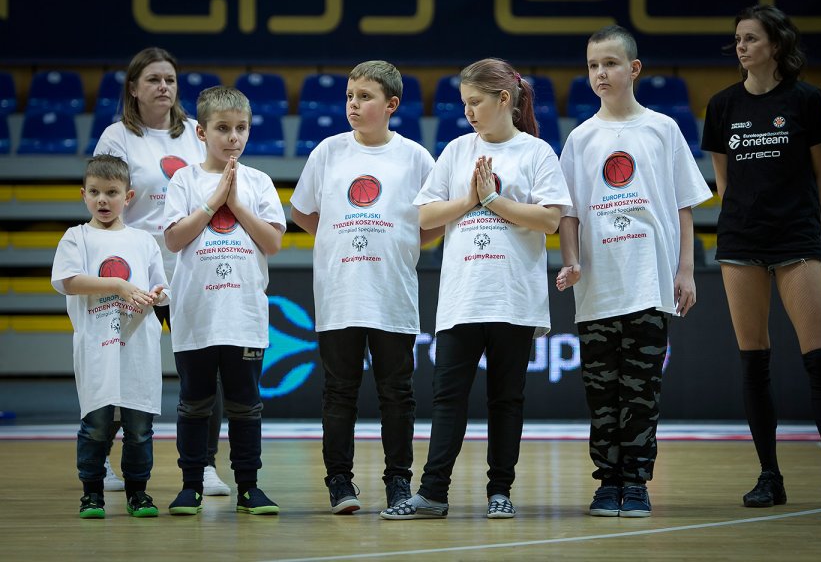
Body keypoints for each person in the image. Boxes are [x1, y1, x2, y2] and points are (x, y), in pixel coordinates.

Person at [380, 58, 572, 521]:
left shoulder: (536, 153)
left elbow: (550, 219)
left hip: (514, 298)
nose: (467, 111)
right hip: (462, 298)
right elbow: (424, 217)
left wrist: (494, 201)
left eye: (475, 102)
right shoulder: (457, 151)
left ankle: (500, 491)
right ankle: (433, 493)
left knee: (507, 400)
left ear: (504, 99)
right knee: (448, 397)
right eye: (464, 103)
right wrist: (470, 199)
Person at [701, 4, 821, 511]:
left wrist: (802, 218)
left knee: (818, 361)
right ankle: (769, 477)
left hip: (796, 241)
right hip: (740, 243)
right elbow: (726, 182)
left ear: (775, 46)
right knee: (755, 363)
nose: (741, 47)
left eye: (751, 39)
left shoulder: (806, 100)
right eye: (737, 39)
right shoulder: (722, 105)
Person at [555, 26, 712, 518]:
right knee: (601, 391)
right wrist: (572, 261)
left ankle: (637, 483)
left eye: (610, 64)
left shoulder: (663, 129)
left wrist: (685, 271)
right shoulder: (580, 139)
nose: (600, 73)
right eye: (592, 66)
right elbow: (569, 213)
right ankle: (607, 483)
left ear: (634, 69)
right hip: (599, 286)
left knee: (642, 391)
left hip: (650, 280)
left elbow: (685, 205)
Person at [290, 61, 440, 514]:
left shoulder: (415, 157)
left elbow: (435, 219)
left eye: (365, 97)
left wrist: (406, 242)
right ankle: (340, 483)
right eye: (350, 96)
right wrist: (336, 234)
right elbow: (302, 212)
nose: (354, 104)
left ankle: (398, 483)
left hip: (392, 294)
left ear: (391, 105)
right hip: (340, 292)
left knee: (398, 394)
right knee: (339, 392)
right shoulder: (328, 152)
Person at [93, 46, 229, 496]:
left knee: (203, 371)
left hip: (193, 267)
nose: (164, 87)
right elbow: (106, 201)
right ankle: (105, 463)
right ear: (133, 88)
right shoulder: (117, 137)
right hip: (136, 273)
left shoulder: (196, 133)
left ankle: (205, 466)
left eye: (170, 79)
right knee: (124, 368)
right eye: (153, 79)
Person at [163, 86, 286, 516]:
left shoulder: (259, 182)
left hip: (244, 314)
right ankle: (191, 485)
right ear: (201, 131)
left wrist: (236, 204)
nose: (233, 137)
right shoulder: (184, 180)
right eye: (222, 128)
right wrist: (213, 202)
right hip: (196, 313)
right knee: (194, 402)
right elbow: (175, 238)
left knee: (245, 405)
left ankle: (250, 487)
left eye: (241, 128)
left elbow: (272, 242)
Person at [51, 154, 168, 518]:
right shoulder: (76, 238)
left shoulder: (144, 240)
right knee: (97, 423)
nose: (103, 200)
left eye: (112, 192)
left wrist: (160, 294)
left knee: (139, 427)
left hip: (138, 347)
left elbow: (161, 286)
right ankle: (92, 494)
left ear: (128, 196)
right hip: (96, 346)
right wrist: (118, 285)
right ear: (83, 195)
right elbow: (70, 282)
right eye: (95, 192)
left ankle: (138, 493)